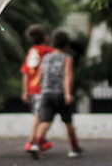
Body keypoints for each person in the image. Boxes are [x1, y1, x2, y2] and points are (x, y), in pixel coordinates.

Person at [27, 29, 81, 158]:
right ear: (66, 46)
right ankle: (74, 147)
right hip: (59, 93)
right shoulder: (67, 58)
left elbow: (39, 76)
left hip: (46, 94)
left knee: (45, 121)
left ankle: (37, 143)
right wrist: (68, 93)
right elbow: (67, 75)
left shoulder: (46, 58)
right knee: (68, 122)